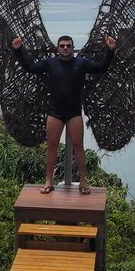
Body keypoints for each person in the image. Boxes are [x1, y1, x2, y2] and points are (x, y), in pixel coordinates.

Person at [11, 34, 116, 193]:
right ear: (57, 48)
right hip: (55, 112)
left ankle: (83, 180)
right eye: (62, 45)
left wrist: (110, 51)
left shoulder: (81, 63)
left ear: (73, 48)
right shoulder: (50, 63)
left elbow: (102, 68)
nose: (65, 48)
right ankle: (48, 180)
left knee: (78, 146)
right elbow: (30, 68)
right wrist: (18, 50)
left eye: (68, 45)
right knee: (51, 146)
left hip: (74, 112)